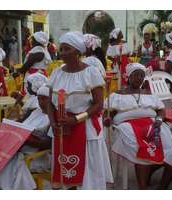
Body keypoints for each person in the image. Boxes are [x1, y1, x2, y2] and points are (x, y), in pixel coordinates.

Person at [46, 31, 113, 189]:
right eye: (61, 49)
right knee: (64, 167)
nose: (62, 53)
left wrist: (75, 119)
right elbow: (50, 103)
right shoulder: (56, 73)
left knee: (87, 173)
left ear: (77, 51)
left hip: (85, 128)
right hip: (61, 127)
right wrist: (53, 123)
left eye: (66, 49)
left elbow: (98, 104)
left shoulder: (91, 72)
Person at [104, 63, 172, 189]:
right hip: (128, 125)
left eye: (141, 76)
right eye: (135, 75)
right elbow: (107, 114)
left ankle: (157, 182)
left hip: (152, 124)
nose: (139, 78)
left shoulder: (148, 93)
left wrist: (159, 120)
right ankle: (142, 187)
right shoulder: (118, 95)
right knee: (141, 146)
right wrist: (107, 119)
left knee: (168, 144)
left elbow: (161, 110)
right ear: (129, 77)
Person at [0, 84, 52, 190]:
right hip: (17, 147)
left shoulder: (55, 118)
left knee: (2, 162)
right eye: (39, 99)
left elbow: (48, 143)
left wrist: (25, 137)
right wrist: (8, 127)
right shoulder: (34, 112)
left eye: (44, 99)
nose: (41, 102)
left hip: (35, 155)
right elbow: (20, 123)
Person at [17, 31, 52, 96]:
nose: (31, 41)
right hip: (40, 75)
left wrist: (20, 71)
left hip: (33, 76)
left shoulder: (37, 49)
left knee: (31, 95)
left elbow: (29, 63)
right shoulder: (43, 49)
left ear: (37, 41)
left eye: (32, 39)